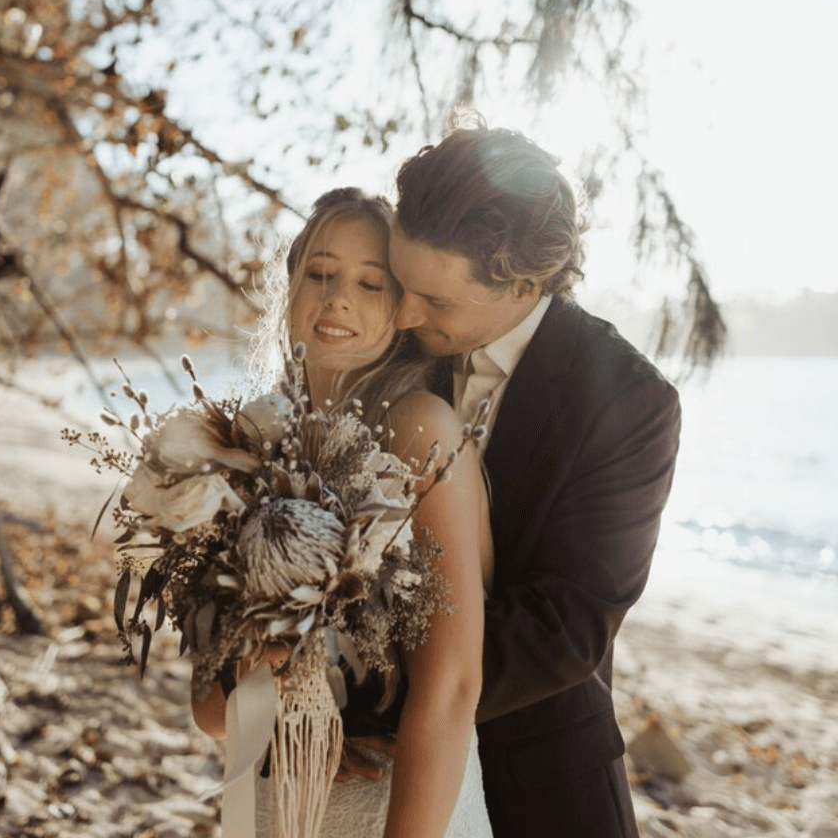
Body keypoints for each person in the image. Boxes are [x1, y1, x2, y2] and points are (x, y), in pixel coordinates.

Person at [386, 116, 682, 838]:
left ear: (524, 282)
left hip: (541, 784)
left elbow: (566, 627)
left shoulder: (630, 400)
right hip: (372, 783)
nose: (401, 312)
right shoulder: (389, 349)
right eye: (399, 282)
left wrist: (363, 691)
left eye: (435, 301)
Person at [191, 188, 495, 838]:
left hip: (401, 805)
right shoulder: (248, 444)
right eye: (320, 274)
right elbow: (211, 714)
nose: (337, 299)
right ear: (291, 286)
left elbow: (452, 690)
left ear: (404, 306)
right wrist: (265, 670)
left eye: (370, 282)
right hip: (274, 796)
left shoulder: (421, 432)